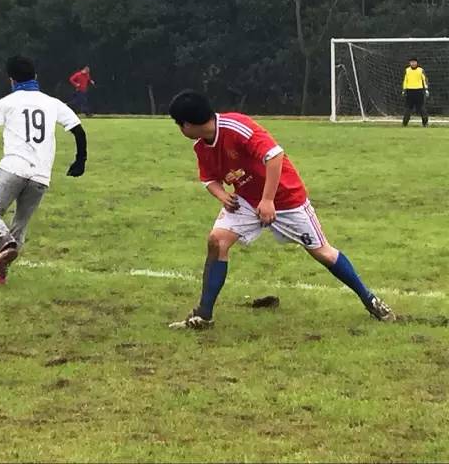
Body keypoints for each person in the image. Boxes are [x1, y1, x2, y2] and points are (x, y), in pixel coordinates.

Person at [167, 90, 395, 330]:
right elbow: (209, 179)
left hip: (286, 198)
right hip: (247, 200)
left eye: (178, 124)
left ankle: (370, 300)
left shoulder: (237, 127)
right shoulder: (202, 147)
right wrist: (223, 195)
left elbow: (274, 156)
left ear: (187, 124)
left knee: (323, 253)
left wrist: (268, 200)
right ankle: (203, 316)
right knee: (217, 241)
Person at [0, 55, 87, 285]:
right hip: (41, 176)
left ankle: (4, 244)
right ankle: (1, 274)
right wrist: (80, 160)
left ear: (11, 80)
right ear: (35, 76)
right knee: (19, 226)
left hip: (13, 169)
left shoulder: (7, 102)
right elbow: (77, 129)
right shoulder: (52, 103)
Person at [402, 57, 429, 127]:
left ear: (417, 63)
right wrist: (404, 90)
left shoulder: (421, 70)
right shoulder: (407, 70)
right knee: (408, 108)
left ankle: (425, 123)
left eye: (414, 62)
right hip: (409, 91)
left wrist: (426, 89)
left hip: (419, 91)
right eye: (411, 62)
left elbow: (425, 80)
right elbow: (405, 81)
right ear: (409, 63)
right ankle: (404, 124)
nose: (413, 63)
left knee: (421, 108)